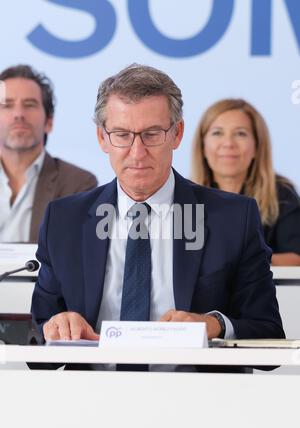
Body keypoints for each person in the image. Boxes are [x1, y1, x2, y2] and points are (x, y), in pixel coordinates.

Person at [31, 65, 284, 372]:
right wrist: (55, 327)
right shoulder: (64, 221)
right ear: (102, 138)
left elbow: (269, 335)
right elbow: (36, 347)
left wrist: (214, 324)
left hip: (200, 404)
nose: (137, 153)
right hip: (91, 403)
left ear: (176, 134)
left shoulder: (233, 218)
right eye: (122, 135)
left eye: (152, 134)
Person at [191, 98, 300, 266]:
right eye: (217, 133)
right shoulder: (185, 197)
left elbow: (296, 258)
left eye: (240, 133)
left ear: (257, 146)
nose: (228, 144)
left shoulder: (282, 193)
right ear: (203, 146)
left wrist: (246, 258)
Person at [0, 64, 98, 243]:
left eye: (29, 105)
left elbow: (74, 259)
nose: (18, 114)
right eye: (7, 105)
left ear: (49, 122)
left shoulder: (78, 186)